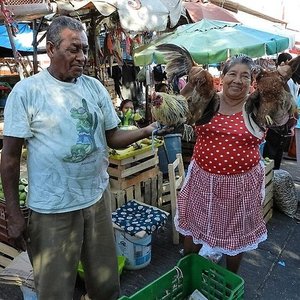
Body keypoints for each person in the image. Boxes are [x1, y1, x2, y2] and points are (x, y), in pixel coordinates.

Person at [0, 16, 163, 300]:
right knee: (55, 292)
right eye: (73, 49)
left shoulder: (94, 87)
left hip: (95, 201)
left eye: (85, 49)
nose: (83, 57)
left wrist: (147, 129)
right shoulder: (27, 92)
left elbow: (112, 137)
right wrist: (13, 213)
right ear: (51, 49)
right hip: (52, 209)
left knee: (105, 285)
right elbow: (11, 158)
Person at [176, 54, 267, 274]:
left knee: (234, 240)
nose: (238, 80)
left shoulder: (257, 108)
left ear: (251, 81)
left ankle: (228, 281)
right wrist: (191, 82)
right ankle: (188, 276)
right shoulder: (206, 100)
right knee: (193, 232)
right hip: (202, 181)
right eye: (232, 74)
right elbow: (178, 111)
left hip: (241, 186)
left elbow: (283, 116)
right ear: (223, 77)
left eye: (245, 76)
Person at [263, 52, 299, 169]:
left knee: (276, 154)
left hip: (283, 124)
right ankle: (270, 178)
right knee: (271, 155)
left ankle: (274, 177)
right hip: (275, 124)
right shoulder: (280, 79)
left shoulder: (289, 80)